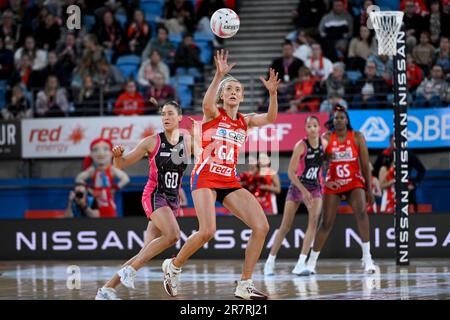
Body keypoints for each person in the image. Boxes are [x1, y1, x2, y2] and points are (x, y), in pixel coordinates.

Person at [161, 50, 280, 300]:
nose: (233, 92)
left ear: (242, 96)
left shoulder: (245, 121)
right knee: (207, 231)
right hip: (205, 176)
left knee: (261, 226)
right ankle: (173, 265)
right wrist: (218, 75)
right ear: (222, 96)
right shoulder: (214, 114)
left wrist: (272, 93)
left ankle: (244, 284)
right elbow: (205, 104)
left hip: (228, 179)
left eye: (237, 89)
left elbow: (270, 117)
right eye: (229, 89)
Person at [95, 101, 190, 300]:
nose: (166, 117)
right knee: (173, 235)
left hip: (172, 201)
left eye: (170, 113)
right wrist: (117, 157)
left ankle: (106, 290)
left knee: (144, 253)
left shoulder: (187, 141)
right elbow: (122, 165)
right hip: (154, 196)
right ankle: (130, 272)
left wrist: (181, 192)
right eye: (163, 114)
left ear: (180, 117)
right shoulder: (151, 141)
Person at [305, 105, 377, 274]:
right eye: (335, 118)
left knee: (361, 212)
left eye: (341, 117)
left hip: (354, 182)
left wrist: (369, 188)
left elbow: (365, 165)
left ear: (347, 120)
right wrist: (323, 182)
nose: (338, 120)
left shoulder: (358, 137)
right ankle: (311, 262)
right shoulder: (327, 137)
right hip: (333, 182)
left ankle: (367, 258)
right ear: (332, 121)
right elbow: (318, 162)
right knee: (326, 222)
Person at [264, 115, 326, 276]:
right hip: (298, 186)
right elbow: (290, 173)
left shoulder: (324, 144)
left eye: (315, 126)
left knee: (313, 222)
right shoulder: (301, 145)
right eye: (309, 126)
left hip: (316, 187)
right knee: (285, 226)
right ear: (305, 129)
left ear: (319, 128)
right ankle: (270, 261)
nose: (312, 129)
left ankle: (300, 263)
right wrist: (303, 191)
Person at [76, 138, 130, 218]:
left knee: (110, 215)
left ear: (111, 153)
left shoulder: (111, 169)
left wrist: (115, 188)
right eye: (95, 150)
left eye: (105, 149)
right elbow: (79, 178)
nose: (101, 153)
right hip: (96, 199)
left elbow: (125, 179)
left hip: (108, 198)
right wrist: (88, 188)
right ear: (91, 154)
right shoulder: (93, 170)